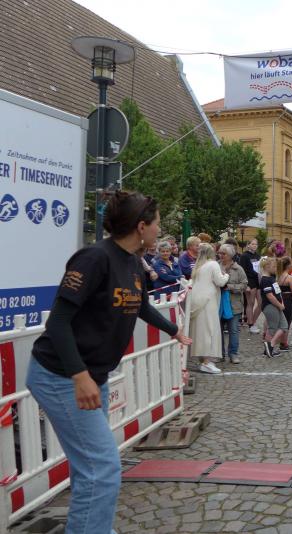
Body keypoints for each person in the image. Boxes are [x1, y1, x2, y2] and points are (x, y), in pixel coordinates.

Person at [27, 191, 191, 534]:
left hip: (93, 375)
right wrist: (80, 376)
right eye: (157, 223)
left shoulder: (132, 261)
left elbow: (141, 306)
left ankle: (91, 527)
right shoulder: (94, 258)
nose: (159, 230)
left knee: (90, 466)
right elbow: (57, 322)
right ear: (141, 226)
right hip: (61, 376)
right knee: (103, 467)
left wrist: (173, 330)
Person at [189, 243, 229, 374]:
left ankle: (203, 360)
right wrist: (226, 275)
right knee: (209, 330)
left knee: (200, 330)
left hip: (197, 301)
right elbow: (220, 282)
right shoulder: (213, 264)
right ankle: (206, 362)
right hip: (208, 301)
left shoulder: (198, 266)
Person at [219, 244, 247, 364]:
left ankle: (233, 353)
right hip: (219, 303)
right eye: (220, 253)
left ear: (230, 255)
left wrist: (230, 287)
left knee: (233, 330)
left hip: (234, 304)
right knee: (218, 330)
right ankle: (220, 354)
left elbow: (244, 285)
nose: (221, 255)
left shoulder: (238, 269)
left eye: (223, 253)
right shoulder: (216, 266)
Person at [259, 257, 288, 357]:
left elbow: (277, 292)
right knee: (272, 328)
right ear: (267, 267)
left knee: (284, 326)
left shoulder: (271, 278)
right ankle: (269, 348)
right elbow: (270, 296)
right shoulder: (265, 280)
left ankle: (270, 345)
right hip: (270, 306)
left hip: (277, 306)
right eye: (274, 266)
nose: (276, 268)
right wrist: (280, 305)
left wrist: (281, 303)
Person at [276, 256, 292, 351]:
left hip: (279, 300)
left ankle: (280, 341)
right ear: (288, 265)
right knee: (287, 322)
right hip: (288, 301)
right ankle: (284, 343)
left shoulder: (277, 277)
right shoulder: (289, 278)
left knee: (280, 321)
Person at [239, 239, 262, 334]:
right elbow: (242, 271)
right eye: (252, 244)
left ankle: (253, 320)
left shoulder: (258, 256)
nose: (254, 246)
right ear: (248, 245)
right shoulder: (244, 256)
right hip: (249, 281)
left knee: (261, 302)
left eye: (256, 244)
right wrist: (246, 285)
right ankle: (251, 324)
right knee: (250, 303)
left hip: (257, 280)